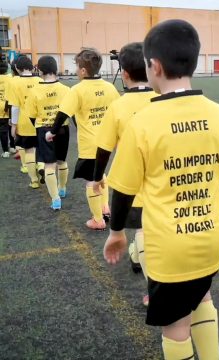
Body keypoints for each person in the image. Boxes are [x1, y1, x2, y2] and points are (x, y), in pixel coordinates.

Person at [104, 19, 219, 360]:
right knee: (203, 298)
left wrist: (117, 232)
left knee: (176, 325)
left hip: (169, 245)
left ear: (154, 67)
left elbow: (121, 191)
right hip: (209, 238)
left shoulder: (143, 122)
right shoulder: (218, 114)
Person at [94, 42, 156, 305]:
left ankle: (155, 291)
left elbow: (104, 149)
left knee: (142, 232)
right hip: (164, 186)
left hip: (133, 187)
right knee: (154, 235)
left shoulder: (119, 106)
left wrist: (98, 177)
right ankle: (138, 259)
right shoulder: (163, 100)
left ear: (125, 74)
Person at [46, 48, 119, 229]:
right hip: (107, 142)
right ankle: (105, 207)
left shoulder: (77, 90)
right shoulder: (110, 88)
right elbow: (119, 112)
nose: (76, 70)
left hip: (90, 145)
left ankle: (98, 219)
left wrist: (51, 132)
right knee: (101, 174)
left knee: (91, 180)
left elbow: (62, 114)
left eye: (77, 67)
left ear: (84, 71)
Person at [25, 56, 70, 210]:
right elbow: (69, 111)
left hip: (44, 129)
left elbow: (31, 115)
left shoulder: (34, 91)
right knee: (62, 161)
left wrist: (41, 127)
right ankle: (62, 189)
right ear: (55, 69)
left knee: (49, 164)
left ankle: (56, 198)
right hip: (63, 129)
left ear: (40, 70)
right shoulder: (66, 89)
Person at [7, 56, 41, 186]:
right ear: (32, 67)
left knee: (29, 150)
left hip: (24, 122)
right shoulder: (39, 80)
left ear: (16, 68)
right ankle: (41, 167)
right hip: (39, 120)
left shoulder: (14, 82)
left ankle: (34, 181)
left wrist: (13, 125)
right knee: (40, 148)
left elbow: (15, 107)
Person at [0, 61, 11, 158]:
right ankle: (12, 147)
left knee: (2, 130)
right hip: (8, 105)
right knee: (11, 126)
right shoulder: (9, 77)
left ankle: (5, 151)